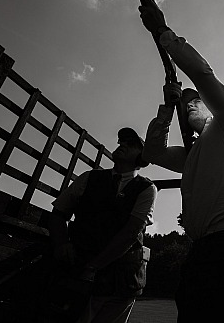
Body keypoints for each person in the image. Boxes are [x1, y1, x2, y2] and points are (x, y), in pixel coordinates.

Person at [137, 0, 224, 322]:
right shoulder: (196, 153)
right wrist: (167, 106)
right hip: (204, 246)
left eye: (195, 102)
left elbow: (202, 77)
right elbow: (152, 152)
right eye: (186, 102)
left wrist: (164, 34)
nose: (189, 106)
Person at [47, 127, 156, 323]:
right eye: (121, 141)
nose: (121, 145)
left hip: (121, 282)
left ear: (142, 157)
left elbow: (132, 231)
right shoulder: (89, 177)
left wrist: (94, 266)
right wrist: (61, 244)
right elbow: (58, 214)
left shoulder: (147, 188)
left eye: (130, 144)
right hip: (80, 276)